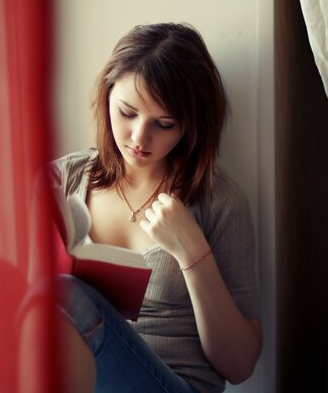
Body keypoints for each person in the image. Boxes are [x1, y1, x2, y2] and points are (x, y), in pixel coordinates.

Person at [48, 23, 262, 393]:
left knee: (70, 296)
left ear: (190, 127)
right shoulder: (64, 178)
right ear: (107, 95)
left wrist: (192, 253)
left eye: (164, 124)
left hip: (174, 384)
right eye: (127, 113)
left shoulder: (220, 201)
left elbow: (240, 365)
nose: (139, 138)